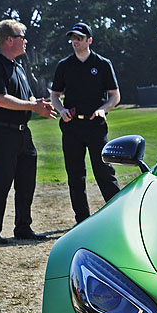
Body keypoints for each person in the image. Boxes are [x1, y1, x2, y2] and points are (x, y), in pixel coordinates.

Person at [0, 19, 57, 244]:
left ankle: (23, 228)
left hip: (23, 133)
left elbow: (28, 96)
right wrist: (32, 106)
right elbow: (1, 100)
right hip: (1, 132)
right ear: (9, 40)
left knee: (26, 182)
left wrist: (38, 104)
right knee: (0, 181)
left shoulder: (18, 66)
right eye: (22, 36)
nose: (25, 41)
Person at [49, 22, 121, 224]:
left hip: (95, 126)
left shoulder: (102, 64)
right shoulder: (64, 65)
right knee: (75, 176)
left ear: (89, 40)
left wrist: (103, 109)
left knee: (104, 172)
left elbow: (115, 96)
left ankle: (116, 216)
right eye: (73, 38)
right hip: (71, 127)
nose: (75, 42)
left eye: (79, 38)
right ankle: (82, 220)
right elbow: (55, 95)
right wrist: (61, 110)